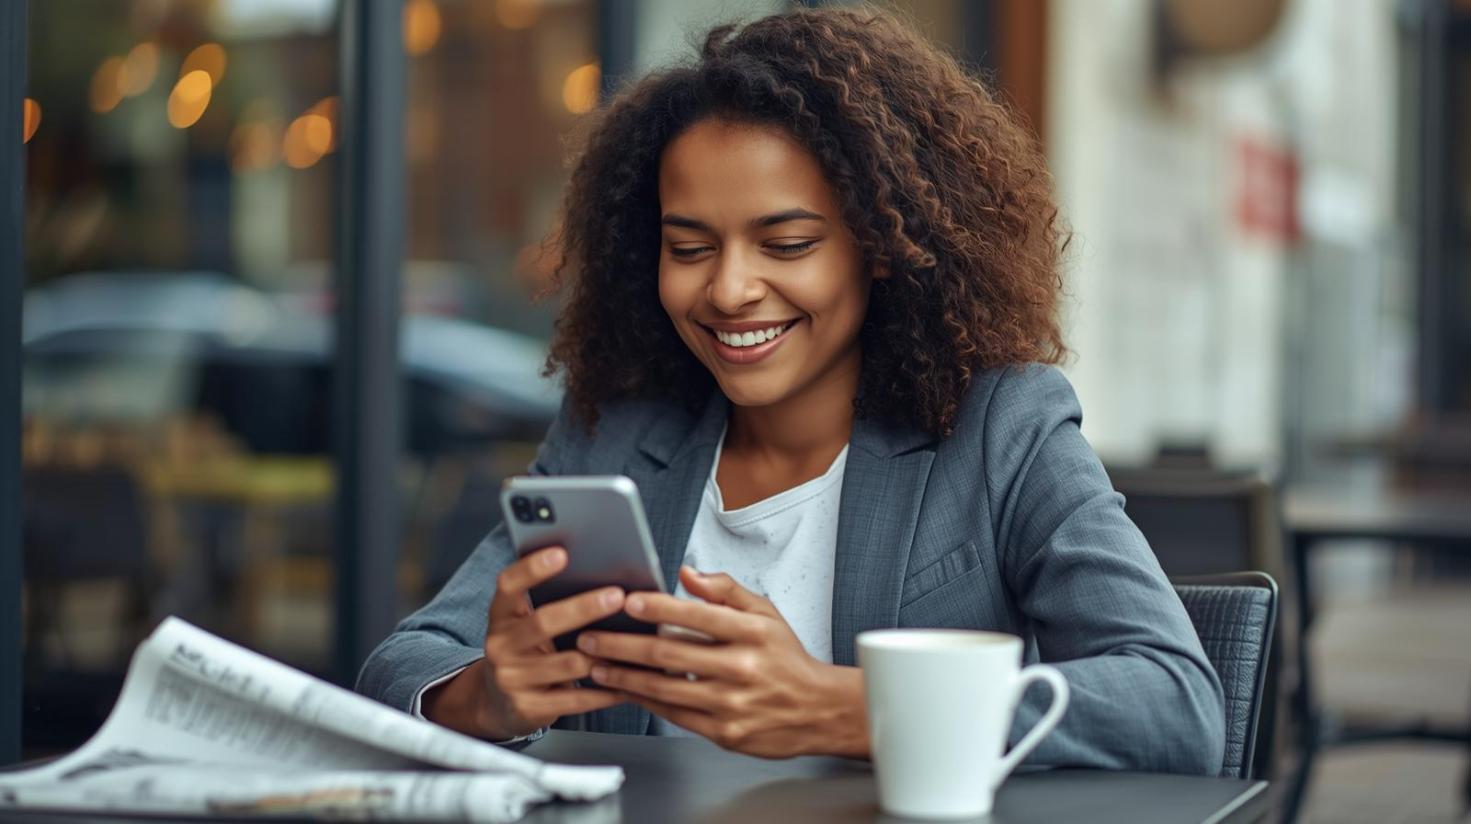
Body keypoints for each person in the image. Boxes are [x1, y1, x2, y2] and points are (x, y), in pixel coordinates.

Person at [357, 7, 1225, 774]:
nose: (729, 289)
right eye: (690, 248)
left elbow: (1175, 702)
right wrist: (481, 699)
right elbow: (409, 659)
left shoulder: (1000, 424)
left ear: (883, 245)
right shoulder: (616, 430)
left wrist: (845, 707)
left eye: (785, 243)